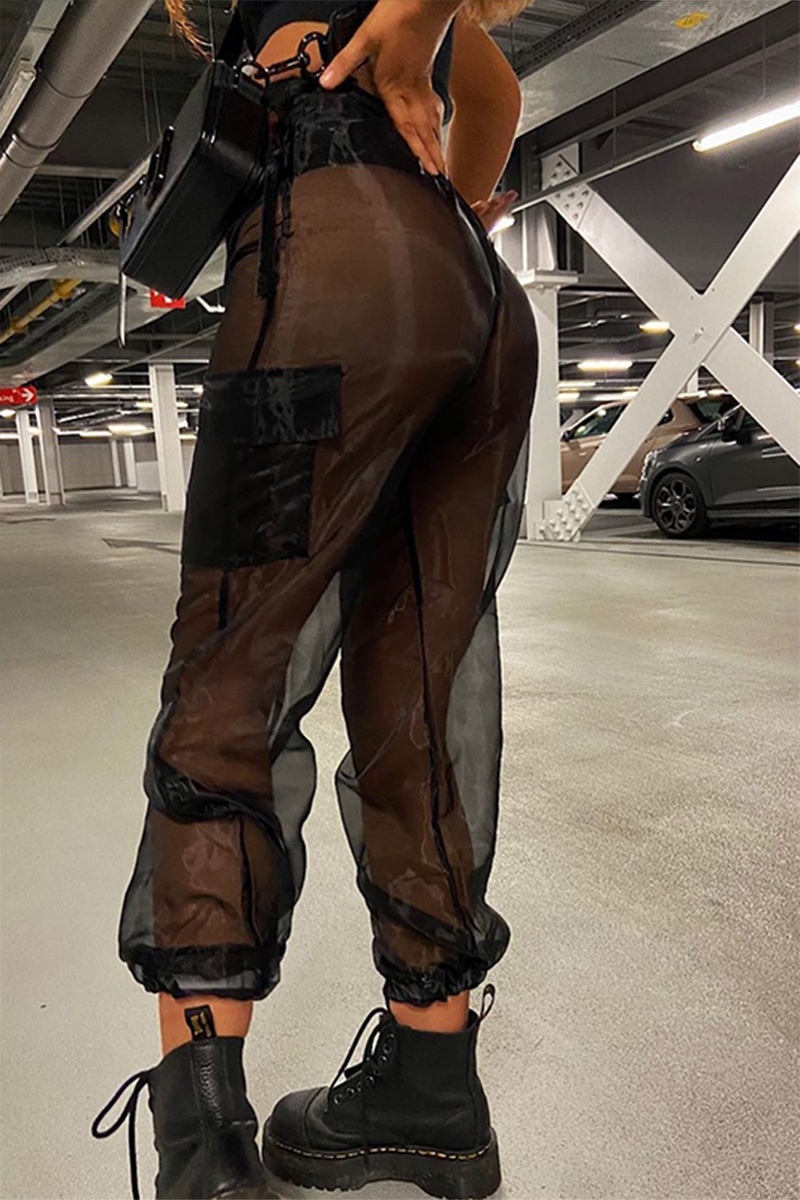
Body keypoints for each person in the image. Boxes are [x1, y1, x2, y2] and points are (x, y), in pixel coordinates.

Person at [92, 2, 538, 1197]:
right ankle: (430, 1094)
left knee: (230, 682)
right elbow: (495, 101)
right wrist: (439, 203)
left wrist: (403, 25)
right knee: (418, 686)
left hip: (335, 255)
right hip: (477, 299)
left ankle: (203, 1150)